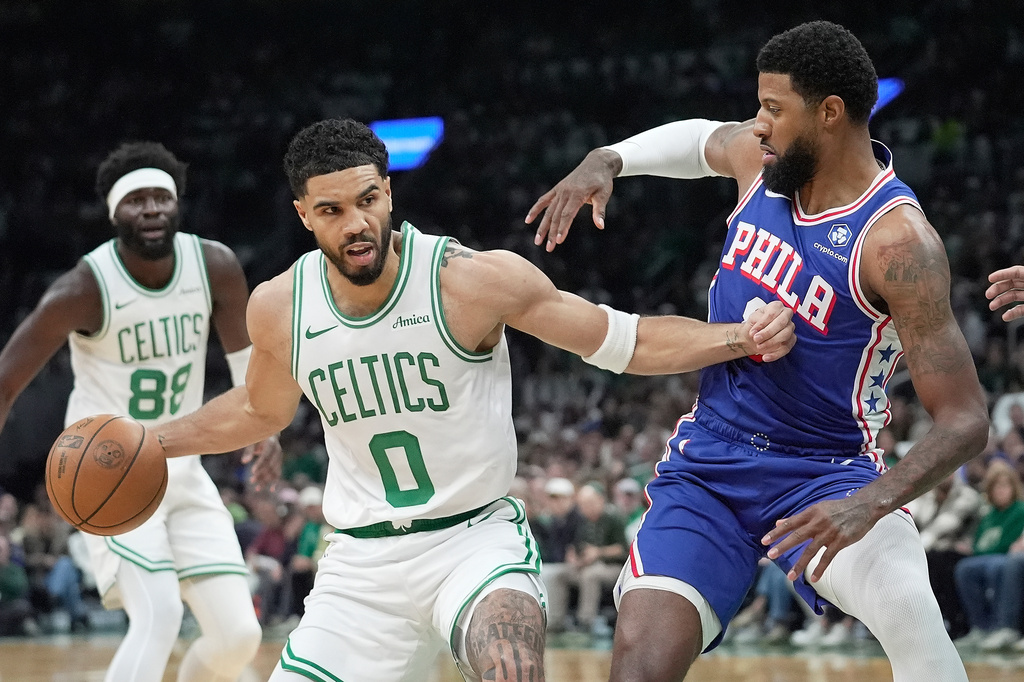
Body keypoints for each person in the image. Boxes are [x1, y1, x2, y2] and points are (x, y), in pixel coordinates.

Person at [148, 117, 796, 682]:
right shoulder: (279, 307)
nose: (357, 224)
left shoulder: (470, 282)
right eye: (331, 211)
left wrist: (738, 336)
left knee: (510, 667)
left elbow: (622, 341)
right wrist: (150, 441)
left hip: (473, 543)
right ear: (302, 215)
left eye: (368, 199)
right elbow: (259, 411)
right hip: (359, 569)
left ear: (389, 190)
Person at [527, 20, 989, 682]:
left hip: (828, 472)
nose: (759, 125)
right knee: (638, 668)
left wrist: (872, 501)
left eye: (774, 108)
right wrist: (610, 157)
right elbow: (700, 141)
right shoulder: (763, 165)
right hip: (711, 466)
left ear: (830, 113)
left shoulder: (898, 243)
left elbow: (966, 417)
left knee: (911, 612)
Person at [0, 141, 281, 682]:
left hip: (183, 466)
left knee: (238, 637)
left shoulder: (215, 266)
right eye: (136, 200)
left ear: (177, 205)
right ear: (114, 214)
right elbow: (7, 381)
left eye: (161, 198)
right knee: (158, 615)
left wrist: (265, 432)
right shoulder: (83, 288)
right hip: (105, 467)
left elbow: (252, 368)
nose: (151, 209)